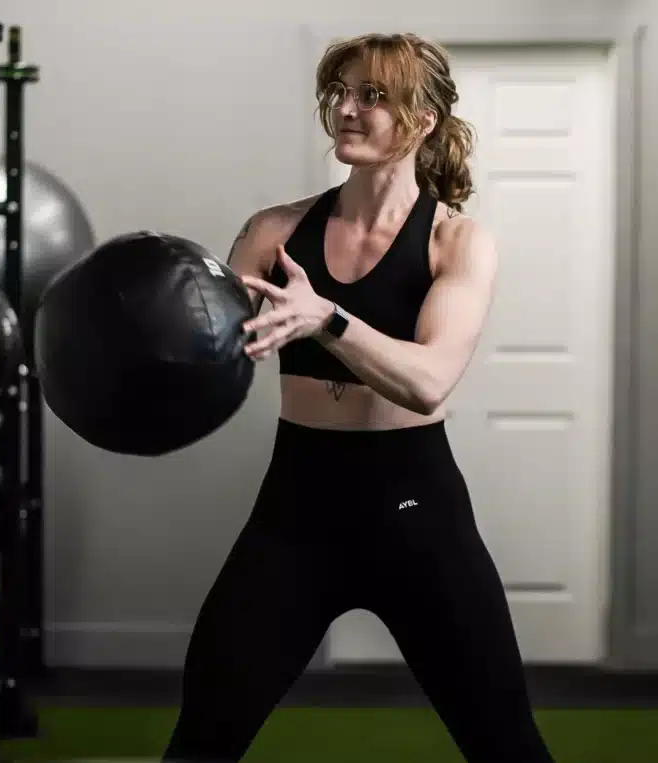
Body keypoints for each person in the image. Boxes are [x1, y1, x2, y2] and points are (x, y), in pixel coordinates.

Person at [163, 32, 556, 763]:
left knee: (506, 745)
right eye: (341, 93)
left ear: (423, 118)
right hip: (295, 512)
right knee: (201, 740)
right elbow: (201, 343)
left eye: (374, 96)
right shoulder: (274, 232)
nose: (348, 109)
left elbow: (431, 379)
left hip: (416, 513)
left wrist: (327, 318)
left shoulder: (457, 242)